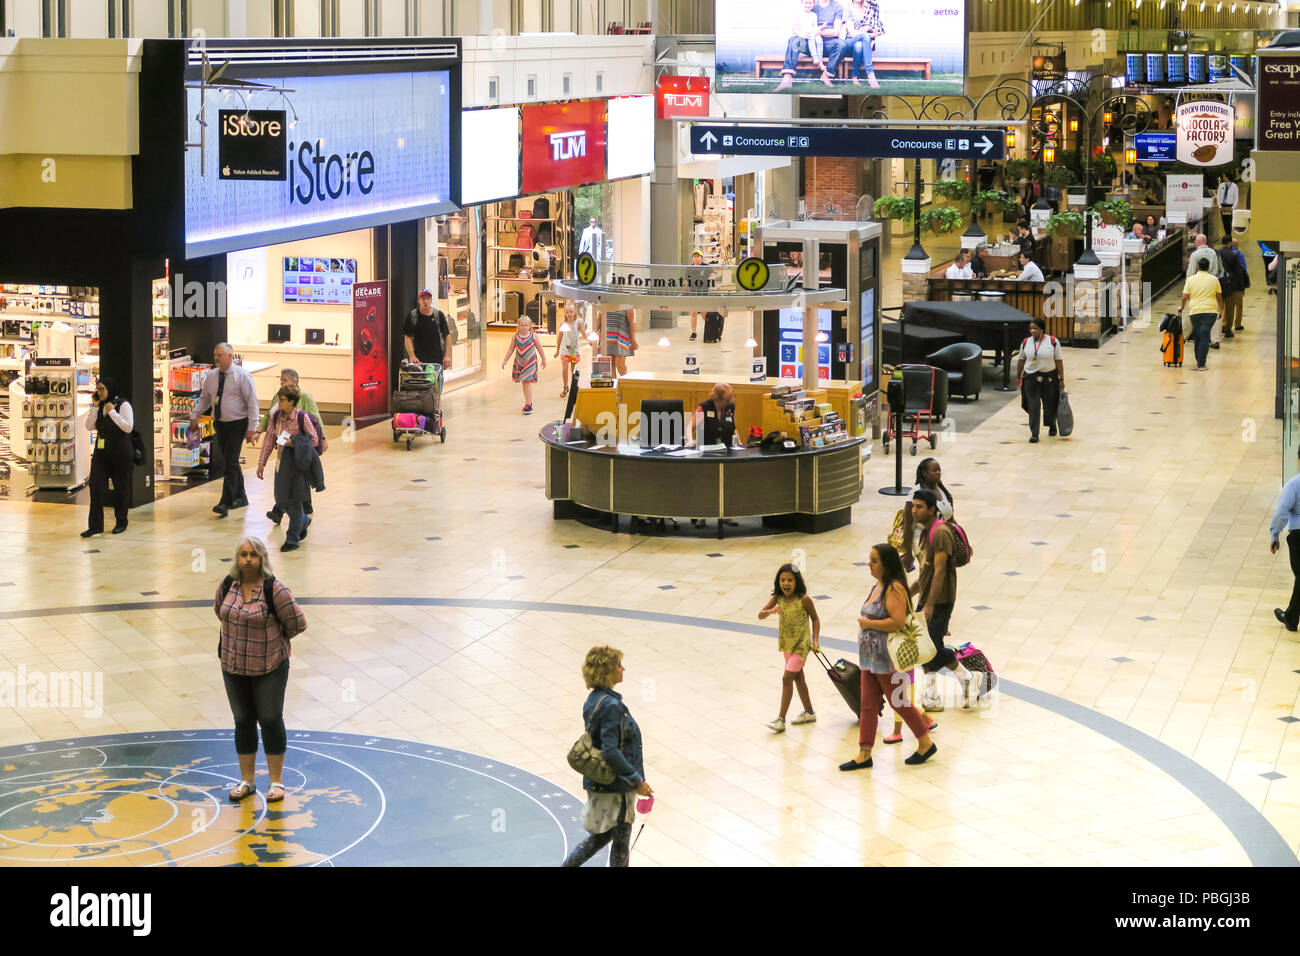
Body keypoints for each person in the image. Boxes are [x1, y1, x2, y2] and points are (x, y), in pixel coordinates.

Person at [215, 536, 307, 804]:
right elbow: (220, 612)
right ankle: (247, 780)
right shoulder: (227, 585)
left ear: (262, 559)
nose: (247, 559)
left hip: (269, 667)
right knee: (242, 721)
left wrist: (272, 643)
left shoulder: (274, 589)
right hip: (233, 667)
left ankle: (276, 783)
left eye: (253, 555)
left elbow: (297, 623)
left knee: (269, 719)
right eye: (243, 554)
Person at [839, 544, 940, 770]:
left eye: (874, 560)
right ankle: (864, 752)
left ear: (886, 564)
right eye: (869, 559)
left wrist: (869, 624)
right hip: (869, 659)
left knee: (899, 702)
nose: (869, 564)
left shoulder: (895, 589)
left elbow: (898, 621)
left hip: (887, 659)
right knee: (867, 706)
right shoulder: (878, 585)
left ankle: (925, 742)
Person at [561, 645, 652, 868]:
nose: (624, 668)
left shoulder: (594, 699)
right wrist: (636, 781)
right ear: (608, 670)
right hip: (616, 786)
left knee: (603, 836)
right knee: (620, 845)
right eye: (619, 665)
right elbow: (611, 750)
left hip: (601, 782)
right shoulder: (612, 706)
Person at [910, 489, 976, 710]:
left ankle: (963, 682)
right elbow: (925, 573)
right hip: (927, 598)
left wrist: (929, 604)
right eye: (914, 506)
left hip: (939, 600)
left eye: (919, 507)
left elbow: (939, 572)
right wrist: (908, 593)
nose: (914, 510)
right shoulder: (925, 532)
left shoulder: (939, 533)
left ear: (931, 509)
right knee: (926, 647)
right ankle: (937, 693)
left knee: (931, 648)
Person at [193, 343, 258, 518]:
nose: (216, 358)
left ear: (230, 356)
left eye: (220, 355)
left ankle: (225, 502)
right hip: (220, 424)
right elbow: (205, 399)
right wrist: (194, 415)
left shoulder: (242, 376)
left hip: (238, 424)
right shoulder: (212, 376)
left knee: (230, 462)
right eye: (215, 355)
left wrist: (252, 428)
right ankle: (241, 496)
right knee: (232, 462)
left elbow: (253, 403)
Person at [256, 384, 322, 553]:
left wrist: (293, 442)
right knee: (281, 500)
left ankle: (292, 538)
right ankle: (304, 520)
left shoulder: (302, 417)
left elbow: (314, 440)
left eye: (283, 400)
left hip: (298, 465)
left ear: (292, 402)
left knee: (296, 500)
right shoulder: (277, 416)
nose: (279, 403)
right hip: (281, 465)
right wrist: (261, 462)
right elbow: (270, 438)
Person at [758, 563, 821, 732]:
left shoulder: (804, 599)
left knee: (787, 678)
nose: (786, 583)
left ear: (797, 581)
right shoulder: (778, 598)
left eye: (790, 580)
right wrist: (771, 611)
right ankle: (809, 712)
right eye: (783, 580)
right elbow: (760, 615)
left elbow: (815, 619)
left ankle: (781, 719)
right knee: (798, 678)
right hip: (786, 646)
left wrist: (815, 641)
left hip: (801, 647)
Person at [81, 376, 133, 538]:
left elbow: (128, 427)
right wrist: (95, 408)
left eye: (102, 389)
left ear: (110, 389)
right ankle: (95, 526)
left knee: (121, 489)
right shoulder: (100, 406)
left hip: (120, 453)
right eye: (98, 389)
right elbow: (89, 426)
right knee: (95, 487)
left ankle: (121, 522)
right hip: (101, 454)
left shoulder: (123, 404)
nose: (99, 392)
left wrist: (112, 412)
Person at [773, 0, 845, 91]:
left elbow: (836, 31)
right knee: (794, 40)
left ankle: (826, 75)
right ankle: (787, 79)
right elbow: (795, 28)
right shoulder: (811, 3)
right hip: (810, 43)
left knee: (841, 44)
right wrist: (801, 34)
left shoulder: (837, 7)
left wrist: (817, 32)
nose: (808, 4)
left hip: (828, 44)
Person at [901, 457, 954, 572]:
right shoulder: (915, 494)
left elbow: (950, 518)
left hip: (942, 539)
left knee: (939, 574)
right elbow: (908, 526)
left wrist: (960, 537)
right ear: (924, 473)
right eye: (934, 470)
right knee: (930, 575)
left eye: (939, 469)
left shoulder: (941, 489)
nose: (938, 472)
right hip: (924, 542)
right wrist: (908, 554)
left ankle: (911, 591)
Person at [1015, 317, 1063, 442]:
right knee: (1033, 405)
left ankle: (1052, 424)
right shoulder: (1026, 342)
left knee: (1050, 404)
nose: (1033, 331)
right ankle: (1034, 433)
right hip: (1031, 378)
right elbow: (1021, 360)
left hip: (1049, 378)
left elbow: (1059, 361)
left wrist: (1061, 379)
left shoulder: (1053, 341)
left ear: (1042, 329)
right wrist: (1018, 375)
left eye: (1035, 328)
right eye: (1031, 328)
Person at [1271, 447, 1300, 634]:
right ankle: (1291, 616)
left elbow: (1281, 511)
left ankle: (1290, 616)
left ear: (1298, 460)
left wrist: (1274, 535)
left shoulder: (1294, 485)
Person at [1179, 258, 1223, 372]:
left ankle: (1199, 360)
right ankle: (1201, 363)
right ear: (1208, 267)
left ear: (1198, 266)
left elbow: (1184, 296)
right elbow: (1219, 297)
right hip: (1210, 312)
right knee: (1204, 335)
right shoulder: (1214, 280)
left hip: (1195, 312)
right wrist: (1221, 310)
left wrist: (1182, 307)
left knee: (1198, 335)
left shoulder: (1190, 280)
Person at [403, 289, 452, 371]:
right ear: (419, 300)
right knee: (421, 383)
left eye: (428, 298)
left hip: (437, 361)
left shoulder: (439, 315)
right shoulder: (412, 316)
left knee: (435, 382)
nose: (426, 301)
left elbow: (447, 335)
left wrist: (447, 355)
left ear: (431, 300)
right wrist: (412, 356)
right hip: (418, 362)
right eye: (423, 299)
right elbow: (407, 337)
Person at [843, 0, 884, 88]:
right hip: (850, 41)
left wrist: (871, 29)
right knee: (863, 39)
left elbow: (876, 26)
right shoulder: (848, 9)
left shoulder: (868, 8)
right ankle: (870, 74)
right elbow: (852, 33)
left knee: (859, 46)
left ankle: (854, 76)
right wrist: (869, 34)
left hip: (862, 44)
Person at [1216, 235, 1247, 339]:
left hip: (1218, 283)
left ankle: (1218, 327)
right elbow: (1239, 273)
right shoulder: (1235, 255)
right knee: (1230, 308)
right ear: (1230, 243)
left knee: (1219, 307)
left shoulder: (1217, 253)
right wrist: (1241, 288)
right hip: (1230, 284)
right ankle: (1228, 330)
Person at [554, 304, 587, 398]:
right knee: (564, 369)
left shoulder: (578, 322)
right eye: (567, 312)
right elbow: (560, 337)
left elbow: (584, 334)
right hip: (565, 350)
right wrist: (557, 350)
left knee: (574, 370)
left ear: (575, 312)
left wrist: (589, 341)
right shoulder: (563, 324)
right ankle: (565, 387)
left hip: (575, 350)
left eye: (571, 312)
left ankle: (574, 387)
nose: (569, 314)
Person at [597, 305, 637, 377]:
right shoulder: (606, 302)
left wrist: (633, 340)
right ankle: (614, 386)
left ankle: (625, 383)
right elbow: (600, 317)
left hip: (621, 337)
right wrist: (593, 335)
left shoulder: (627, 304)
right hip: (607, 336)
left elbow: (631, 324)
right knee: (610, 365)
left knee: (619, 363)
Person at [688, 250, 706, 341]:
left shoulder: (706, 267)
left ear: (701, 257)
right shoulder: (689, 268)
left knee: (704, 314)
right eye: (694, 256)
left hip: (704, 294)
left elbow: (713, 278)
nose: (696, 258)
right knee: (693, 313)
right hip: (693, 294)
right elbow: (686, 281)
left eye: (698, 256)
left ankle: (710, 330)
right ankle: (694, 333)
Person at [1215, 173, 1238, 238]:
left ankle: (1229, 235)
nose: (1223, 178)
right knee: (1224, 222)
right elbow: (1218, 196)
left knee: (1229, 222)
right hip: (1223, 207)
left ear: (1228, 177)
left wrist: (1233, 207)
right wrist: (1220, 206)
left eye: (1224, 176)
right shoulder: (1221, 185)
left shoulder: (1234, 186)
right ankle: (1226, 235)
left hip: (1230, 207)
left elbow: (1236, 198)